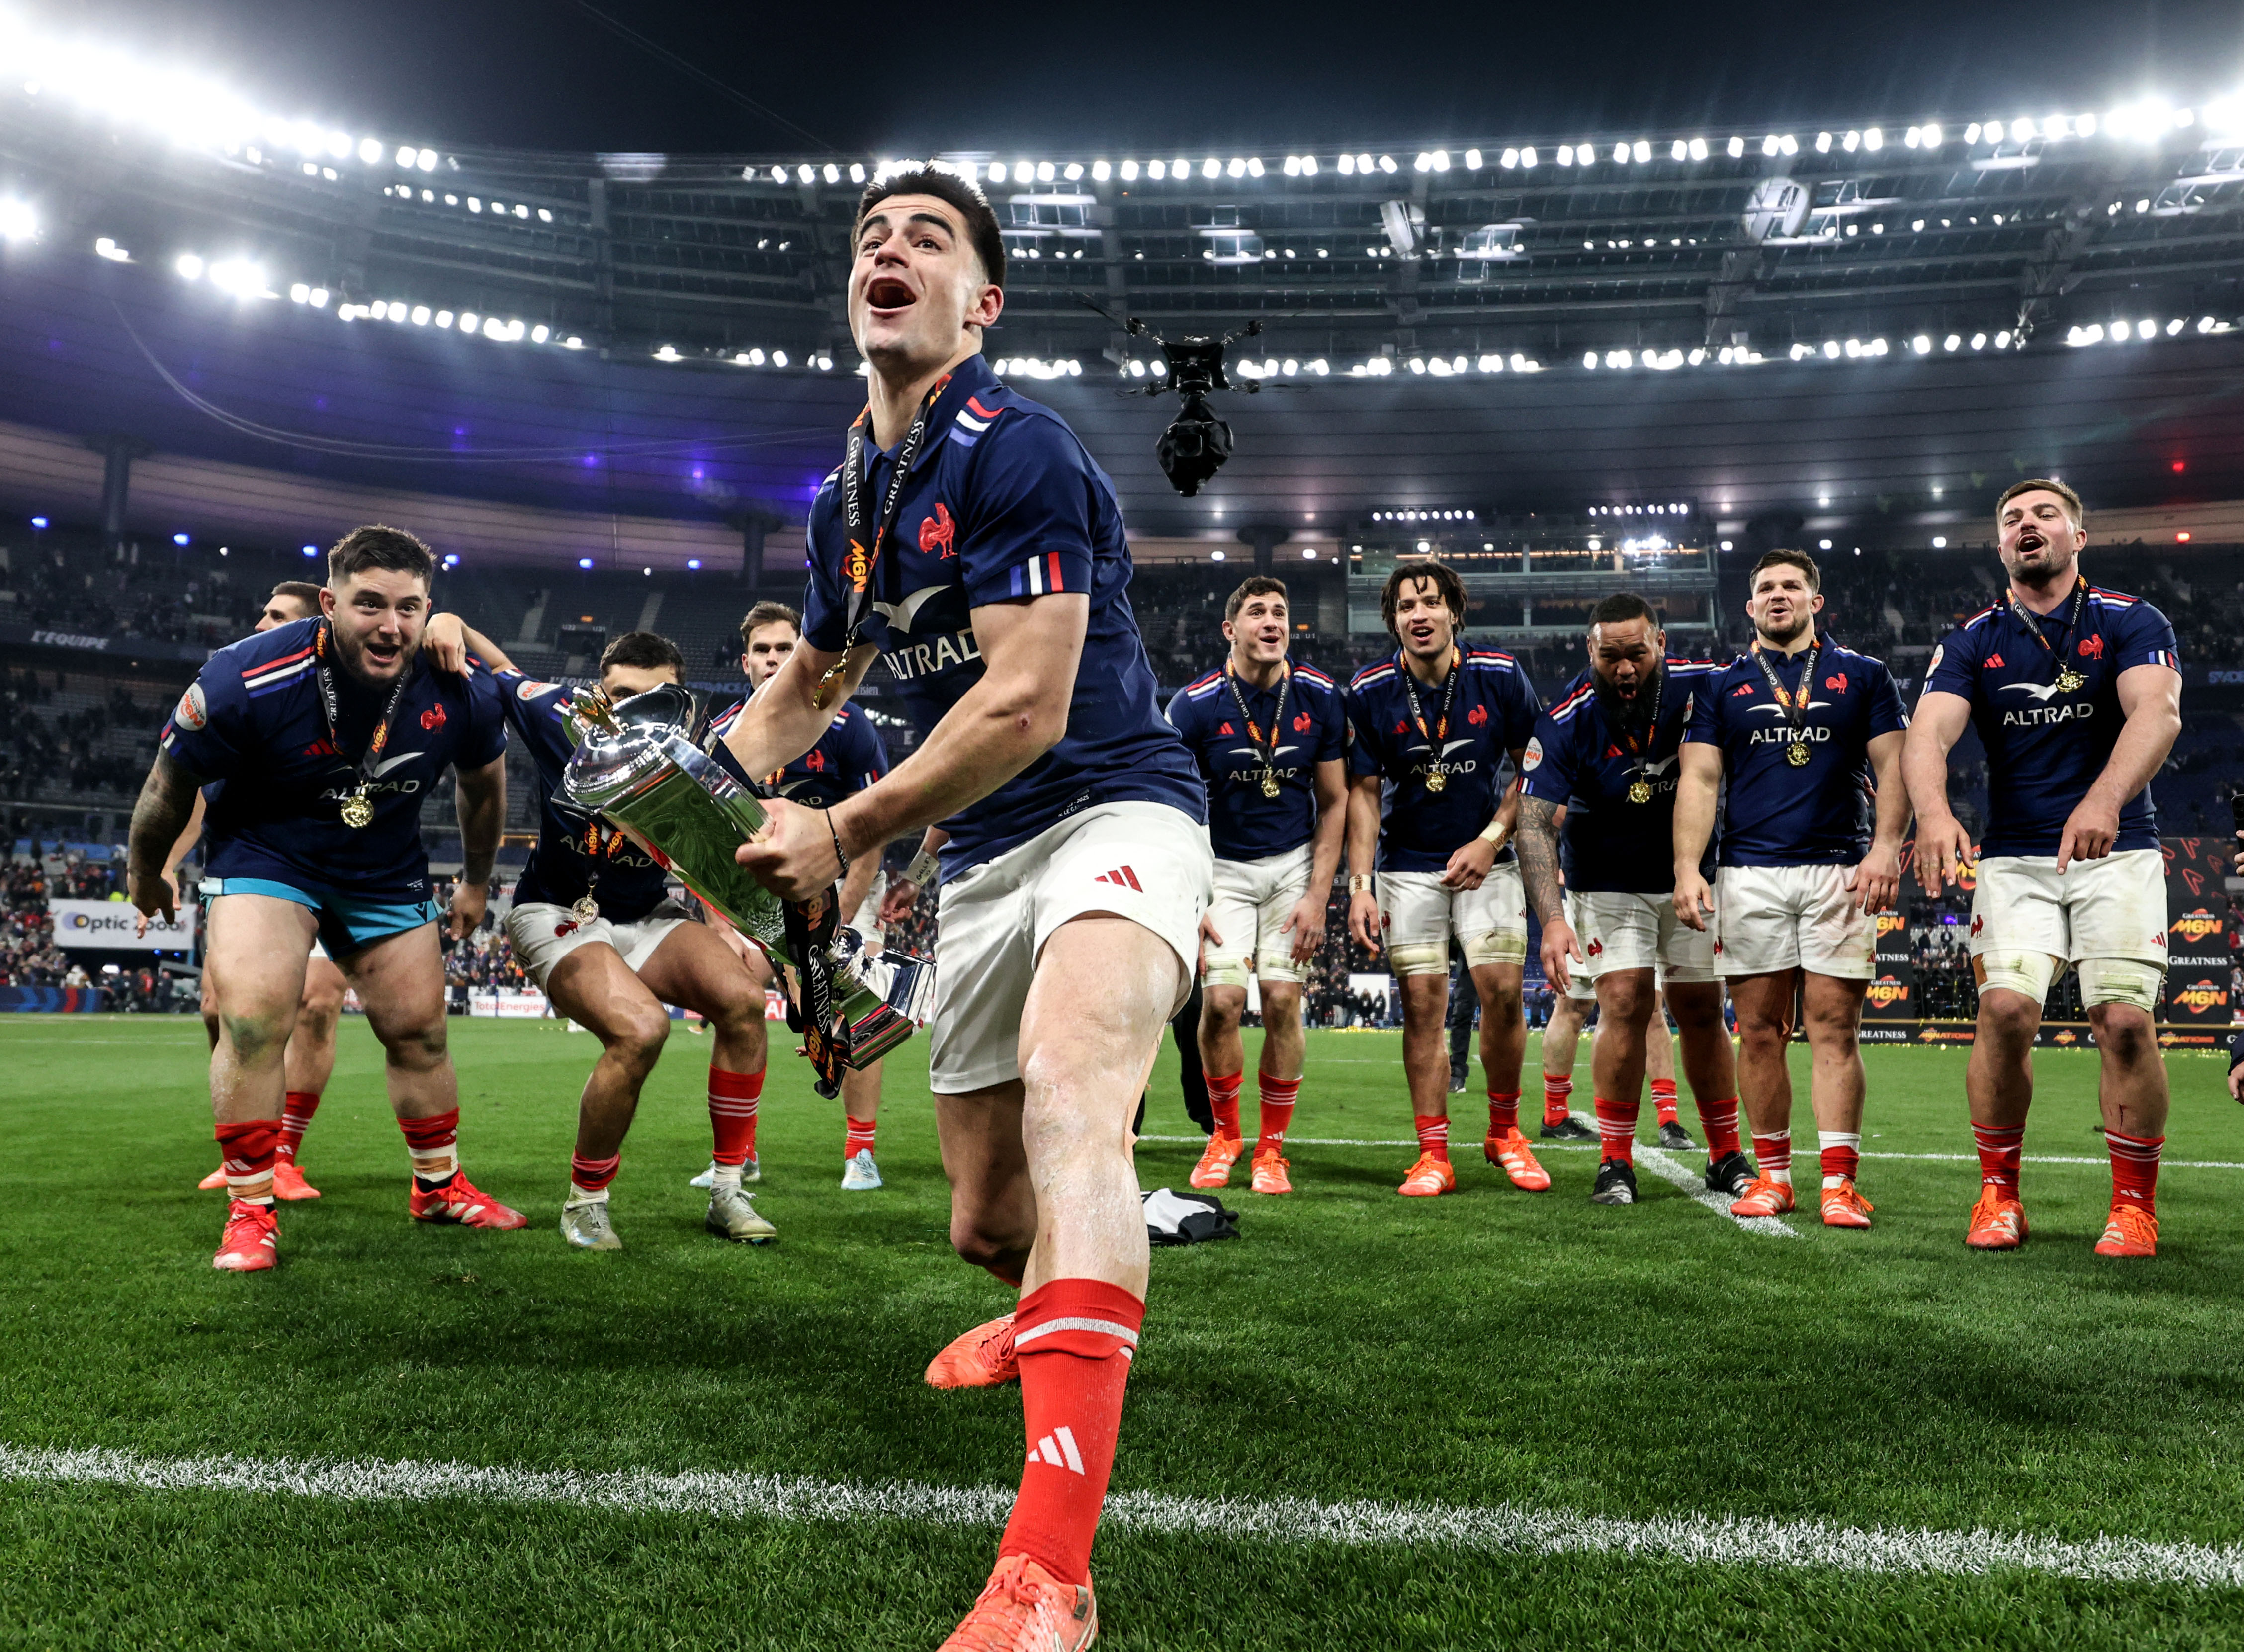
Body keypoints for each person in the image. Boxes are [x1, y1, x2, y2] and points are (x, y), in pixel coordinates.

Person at [716, 161, 1210, 1648]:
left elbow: (1027, 704)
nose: (893, 251)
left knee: (1075, 1104)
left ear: (979, 303)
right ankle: (1067, 1281)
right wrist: (672, 800)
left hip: (1113, 806)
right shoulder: (846, 496)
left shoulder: (1017, 446)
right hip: (977, 860)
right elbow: (814, 680)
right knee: (988, 1223)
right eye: (873, 238)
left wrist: (840, 823)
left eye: (928, 239)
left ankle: (1046, 1581)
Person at [125, 525, 523, 1272]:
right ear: (329, 601)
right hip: (268, 858)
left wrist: (476, 877)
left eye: (408, 607)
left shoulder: (456, 685)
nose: (390, 625)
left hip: (384, 869)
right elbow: (166, 785)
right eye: (369, 604)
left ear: (428, 608)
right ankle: (250, 1208)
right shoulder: (242, 677)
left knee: (421, 1031)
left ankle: (437, 1187)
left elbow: (484, 784)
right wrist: (144, 869)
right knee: (252, 1019)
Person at [421, 616, 777, 1249]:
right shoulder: (561, 716)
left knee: (745, 1001)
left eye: (651, 699)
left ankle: (727, 1191)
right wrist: (456, 623)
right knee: (641, 1028)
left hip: (646, 914)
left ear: (680, 702)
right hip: (557, 911)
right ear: (596, 693)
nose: (629, 713)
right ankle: (586, 1201)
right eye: (617, 696)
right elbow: (505, 676)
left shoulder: (706, 758)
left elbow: (722, 855)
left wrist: (743, 935)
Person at [1904, 479, 2182, 1256]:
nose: (2027, 525)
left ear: (2077, 537)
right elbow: (1926, 734)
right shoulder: (1971, 638)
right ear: (2000, 547)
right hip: (2016, 855)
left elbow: (2156, 712)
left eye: (2043, 514)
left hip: (2118, 846)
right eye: (2011, 520)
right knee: (2002, 1012)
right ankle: (1997, 1194)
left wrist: (2102, 800)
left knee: (2124, 1021)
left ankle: (2133, 1206)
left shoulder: (2132, 619)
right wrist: (1933, 813)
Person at [1673, 549, 1910, 1228]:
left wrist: (1885, 848)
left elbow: (1895, 764)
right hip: (1747, 871)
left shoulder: (1862, 674)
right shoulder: (1721, 685)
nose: (1777, 596)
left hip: (1838, 867)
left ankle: (1838, 1182)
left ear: (1815, 600)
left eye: (1790, 586)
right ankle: (1772, 1176)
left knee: (1835, 1026)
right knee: (1758, 1030)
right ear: (1748, 608)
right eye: (1765, 589)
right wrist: (1689, 866)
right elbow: (1698, 780)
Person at [1516, 593, 1748, 1207]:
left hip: (1692, 876)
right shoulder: (1563, 718)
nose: (1623, 670)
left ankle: (1724, 1153)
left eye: (1635, 654)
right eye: (1610, 656)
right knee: (1622, 1001)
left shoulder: (1707, 686)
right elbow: (1533, 823)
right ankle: (1614, 1161)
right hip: (1605, 881)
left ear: (1661, 644)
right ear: (1589, 650)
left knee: (1702, 1008)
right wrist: (1551, 920)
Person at [1342, 557, 1547, 1197]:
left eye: (1429, 602)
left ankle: (1505, 1131)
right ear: (1393, 620)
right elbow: (1363, 795)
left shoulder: (1499, 676)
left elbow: (1534, 773)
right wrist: (1359, 885)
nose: (1418, 615)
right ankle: (1432, 1152)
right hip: (1406, 868)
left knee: (1503, 993)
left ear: (1453, 610)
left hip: (1490, 863)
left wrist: (1490, 841)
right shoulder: (1369, 688)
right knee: (1423, 1008)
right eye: (1405, 606)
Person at [701, 600, 893, 1191]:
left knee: (857, 1009)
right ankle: (740, 1153)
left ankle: (860, 1152)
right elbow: (702, 838)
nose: (773, 659)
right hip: (752, 888)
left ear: (803, 654)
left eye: (786, 648)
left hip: (839, 883)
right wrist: (720, 926)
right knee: (734, 1004)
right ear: (745, 661)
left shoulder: (848, 724)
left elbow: (874, 829)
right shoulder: (721, 735)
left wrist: (840, 921)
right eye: (762, 650)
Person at [165, 580, 346, 1200]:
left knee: (318, 1003)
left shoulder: (345, 692)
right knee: (220, 1009)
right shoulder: (242, 690)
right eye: (261, 611)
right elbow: (190, 785)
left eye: (276, 615)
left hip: (336, 873)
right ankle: (245, 1142)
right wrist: (165, 862)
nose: (260, 622)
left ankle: (283, 1154)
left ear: (313, 628)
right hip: (253, 870)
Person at [1165, 575, 1346, 1195]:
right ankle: (1224, 1135)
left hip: (1292, 866)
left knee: (1281, 1001)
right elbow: (1172, 807)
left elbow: (1335, 799)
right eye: (1256, 613)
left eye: (1279, 612)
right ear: (1229, 630)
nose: (1271, 622)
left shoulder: (1320, 696)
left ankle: (1271, 1150)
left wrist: (1319, 895)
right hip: (1220, 871)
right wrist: (1189, 898)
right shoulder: (1191, 705)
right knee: (1218, 1005)